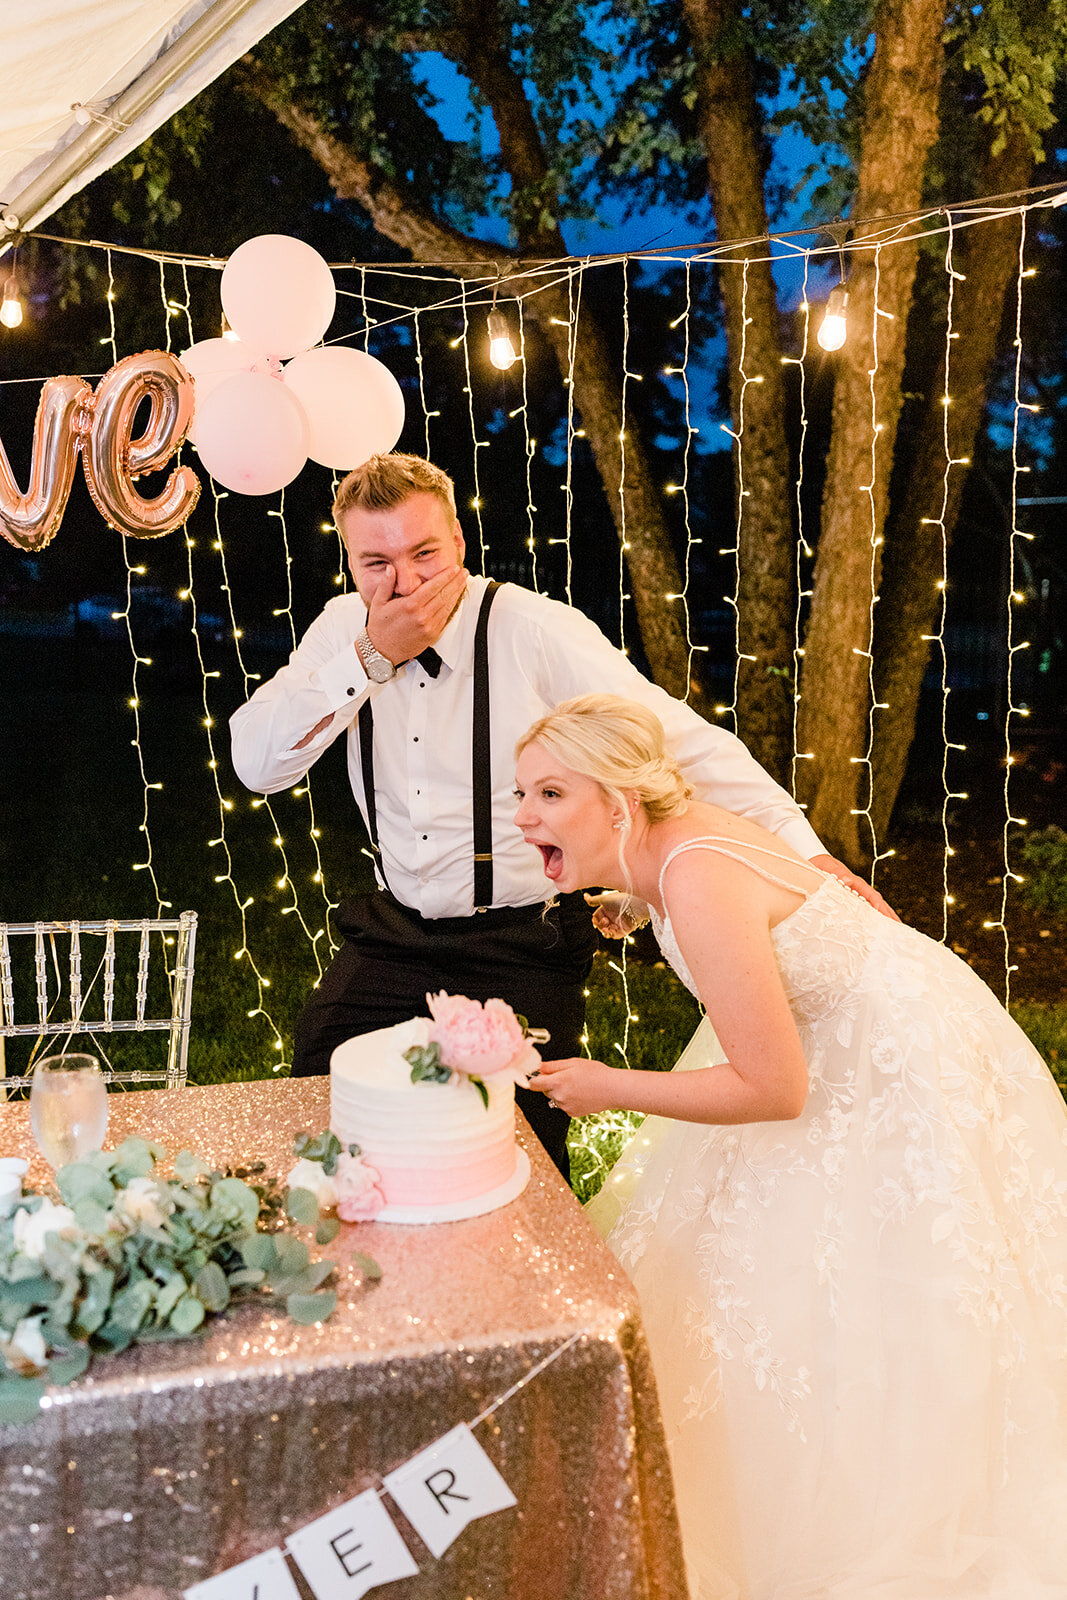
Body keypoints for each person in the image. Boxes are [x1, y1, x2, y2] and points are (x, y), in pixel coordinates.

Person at [515, 694, 1067, 1600]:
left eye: (546, 792)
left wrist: (603, 1084)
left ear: (617, 800)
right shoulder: (667, 847)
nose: (524, 814)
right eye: (521, 794)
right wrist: (631, 898)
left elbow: (773, 1089)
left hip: (885, 1057)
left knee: (890, 1275)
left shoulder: (691, 879)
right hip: (861, 1017)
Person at [230, 452, 890, 1178]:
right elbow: (258, 766)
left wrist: (807, 851)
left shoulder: (531, 628)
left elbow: (681, 742)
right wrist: (368, 657)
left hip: (521, 938)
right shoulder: (341, 631)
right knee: (320, 1119)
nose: (406, 582)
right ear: (351, 562)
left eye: (423, 552)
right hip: (389, 934)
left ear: (457, 541)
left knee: (521, 1165)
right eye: (376, 562)